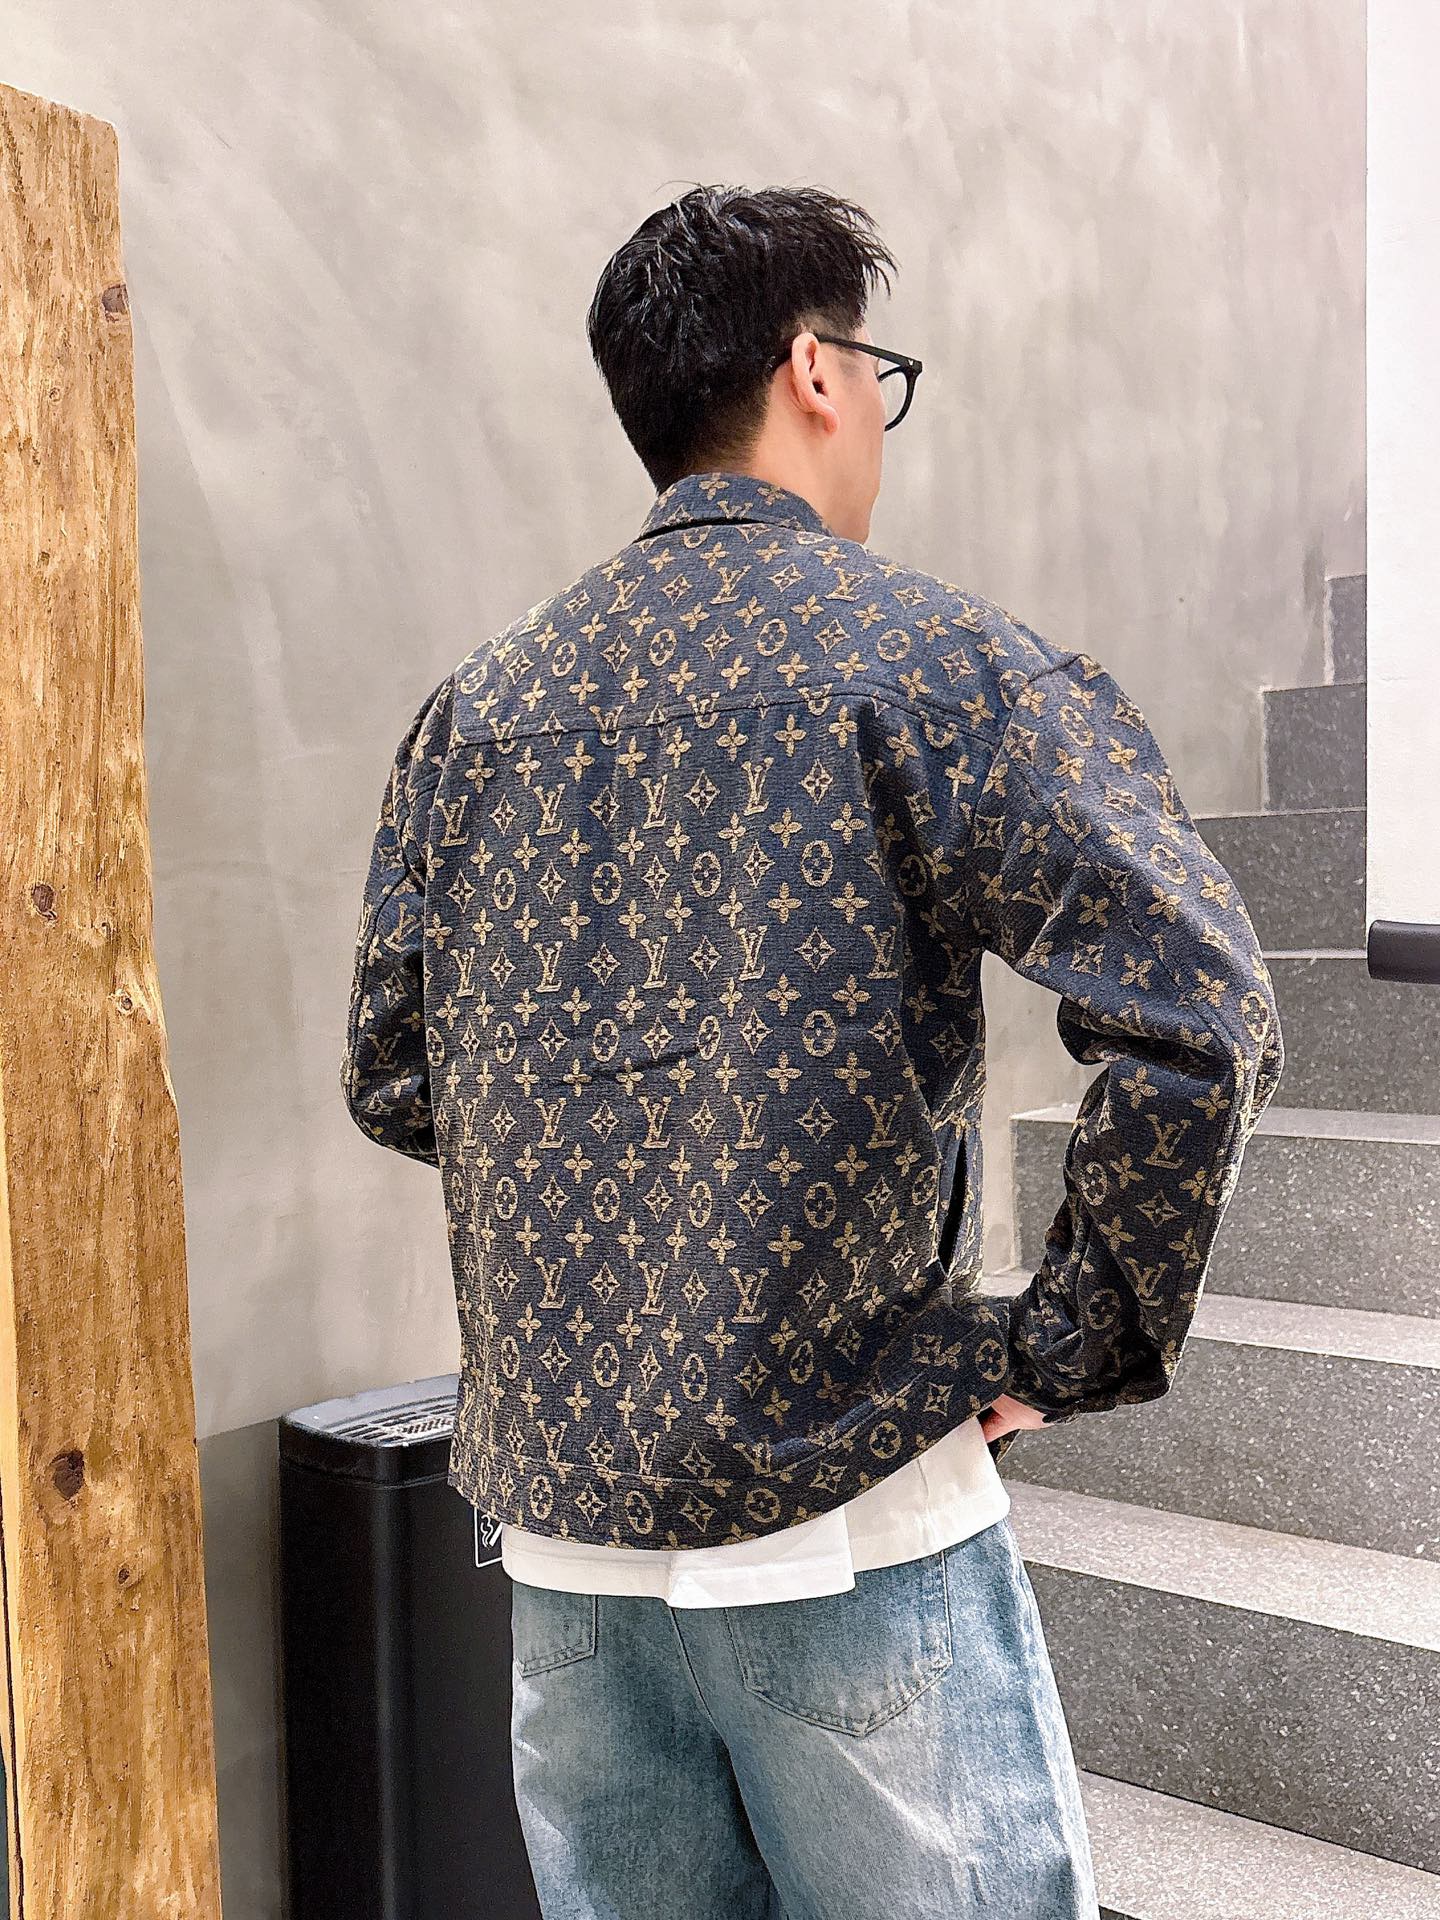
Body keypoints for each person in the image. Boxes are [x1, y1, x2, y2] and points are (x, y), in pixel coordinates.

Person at [341, 183, 1284, 1919]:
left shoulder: (472, 716)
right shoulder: (932, 665)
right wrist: (1069, 1341)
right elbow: (1200, 1010)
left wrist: (626, 1189)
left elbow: (398, 1073)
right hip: (854, 1514)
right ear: (817, 371)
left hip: (563, 1544)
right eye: (876, 370)